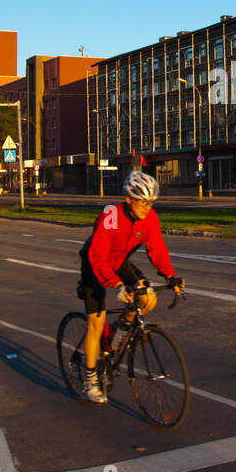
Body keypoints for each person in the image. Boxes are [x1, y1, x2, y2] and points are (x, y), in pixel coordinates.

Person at [75, 170, 184, 404]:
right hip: (95, 264)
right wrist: (116, 285)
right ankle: (90, 379)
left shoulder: (150, 219)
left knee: (148, 299)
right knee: (95, 321)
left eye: (150, 203)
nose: (147, 208)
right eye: (142, 203)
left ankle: (115, 335)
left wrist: (170, 275)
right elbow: (98, 256)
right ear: (128, 199)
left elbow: (157, 249)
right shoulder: (110, 216)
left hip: (120, 262)